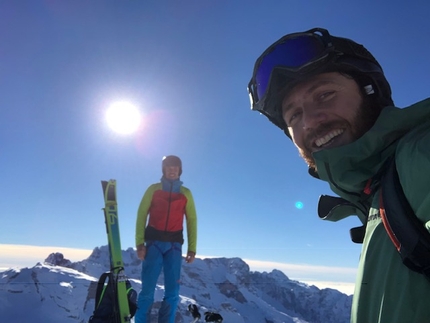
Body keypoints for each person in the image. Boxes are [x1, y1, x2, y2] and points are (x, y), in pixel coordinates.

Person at [247, 27, 430, 323]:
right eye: (294, 115)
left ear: (370, 93)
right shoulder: (379, 197)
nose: (309, 122)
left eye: (325, 94)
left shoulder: (418, 159)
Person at [135, 155, 198, 323]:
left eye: (175, 166)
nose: (172, 169)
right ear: (164, 169)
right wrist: (139, 243)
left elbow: (192, 220)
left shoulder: (186, 194)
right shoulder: (153, 189)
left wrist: (192, 248)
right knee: (147, 290)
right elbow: (142, 214)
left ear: (180, 170)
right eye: (169, 166)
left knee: (173, 293)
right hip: (153, 243)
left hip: (174, 246)